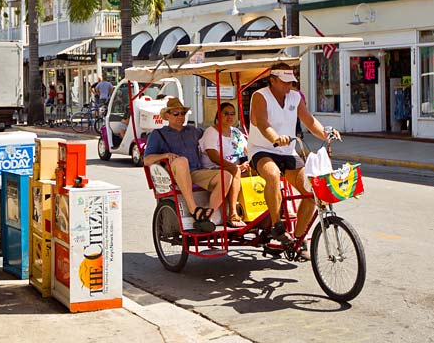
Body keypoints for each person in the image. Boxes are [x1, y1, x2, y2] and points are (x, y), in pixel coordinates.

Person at [248, 64, 341, 260]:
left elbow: (309, 120)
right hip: (262, 150)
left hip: (288, 151)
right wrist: (275, 137)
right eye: (284, 82)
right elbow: (262, 123)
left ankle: (298, 239)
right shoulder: (260, 96)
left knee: (311, 190)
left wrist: (326, 133)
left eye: (291, 82)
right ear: (272, 80)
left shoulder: (295, 97)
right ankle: (277, 226)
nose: (288, 86)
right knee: (272, 174)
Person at [144, 97, 231, 233]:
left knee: (226, 176)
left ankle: (208, 214)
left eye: (183, 113)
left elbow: (211, 138)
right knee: (181, 161)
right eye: (176, 114)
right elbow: (147, 160)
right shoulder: (158, 134)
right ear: (167, 116)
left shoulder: (194, 131)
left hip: (196, 171)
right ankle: (194, 210)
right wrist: (165, 155)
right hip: (174, 173)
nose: (180, 117)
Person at [199, 102, 249, 228]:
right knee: (234, 170)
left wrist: (248, 163)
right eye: (226, 113)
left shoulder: (237, 132)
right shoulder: (211, 132)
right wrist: (235, 167)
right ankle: (233, 213)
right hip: (214, 169)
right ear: (218, 115)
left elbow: (247, 151)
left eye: (232, 114)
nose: (230, 117)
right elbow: (214, 157)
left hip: (236, 168)